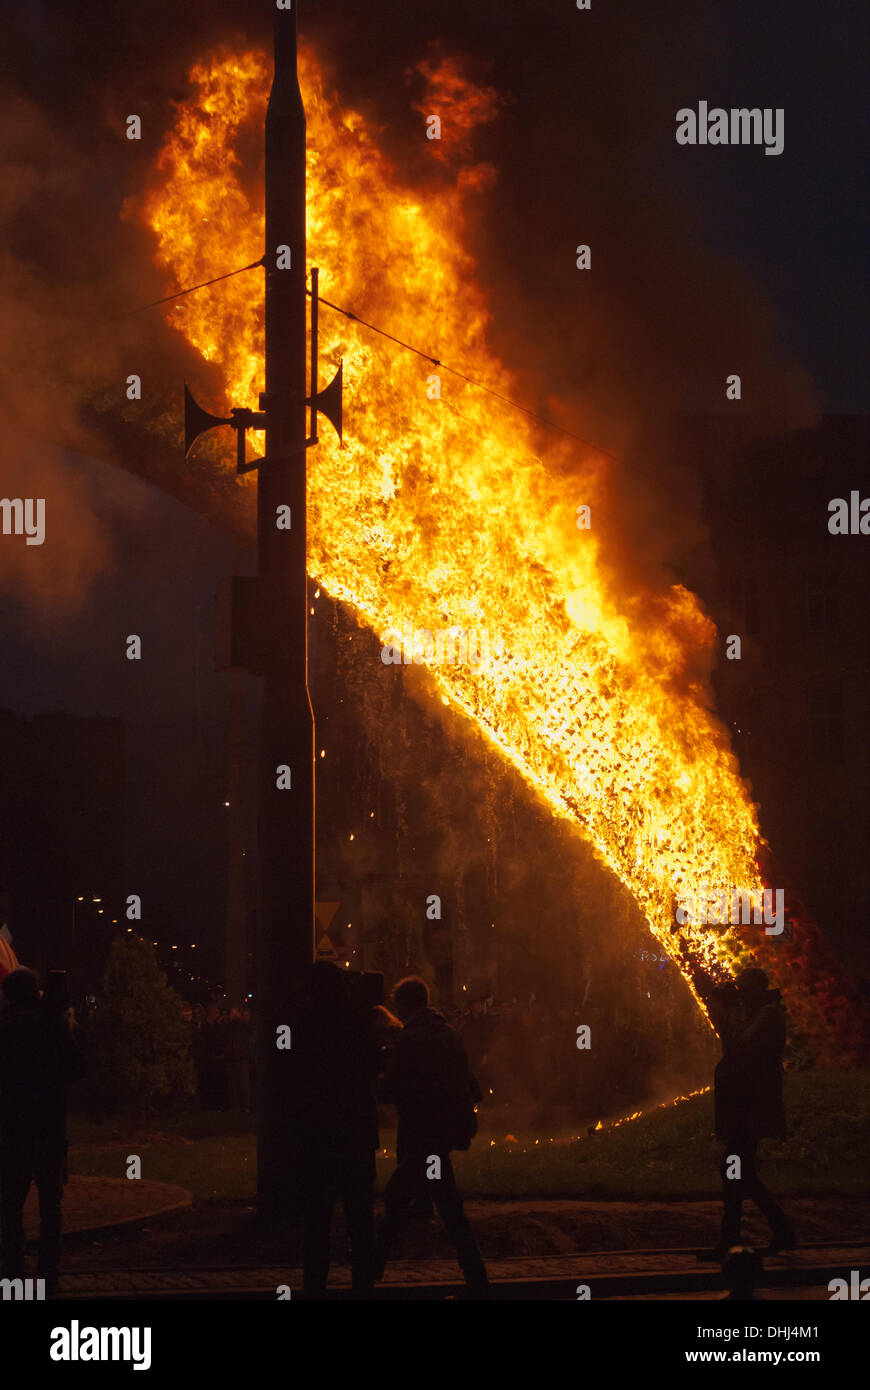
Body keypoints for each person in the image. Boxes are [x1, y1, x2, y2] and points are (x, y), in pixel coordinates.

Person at [376, 976, 489, 1298]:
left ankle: (369, 1272)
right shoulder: (448, 1033)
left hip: (424, 1134)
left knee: (399, 1196)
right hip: (443, 1133)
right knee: (446, 1206)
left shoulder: (411, 1038)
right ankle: (476, 1278)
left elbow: (396, 1087)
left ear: (404, 1004)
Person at [294, 961, 383, 1299]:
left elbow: (294, 1080)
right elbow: (373, 1070)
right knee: (360, 1221)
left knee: (317, 1225)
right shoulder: (358, 1022)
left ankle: (315, 1287)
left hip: (318, 1140)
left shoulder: (305, 1025)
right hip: (356, 1137)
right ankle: (363, 1287)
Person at [0, 968, 85, 1297]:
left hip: (13, 1127)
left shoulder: (4, 1029)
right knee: (51, 1203)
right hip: (49, 1127)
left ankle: (13, 1271)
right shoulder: (53, 1025)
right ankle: (49, 1271)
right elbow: (79, 1068)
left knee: (10, 1204)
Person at [702, 965, 794, 1260]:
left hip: (751, 1107)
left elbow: (740, 1048)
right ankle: (779, 1230)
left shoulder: (767, 1016)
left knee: (734, 1171)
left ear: (755, 990)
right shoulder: (755, 1015)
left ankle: (736, 1239)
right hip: (744, 1106)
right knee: (740, 1173)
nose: (740, 995)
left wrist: (728, 1016)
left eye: (743, 989)